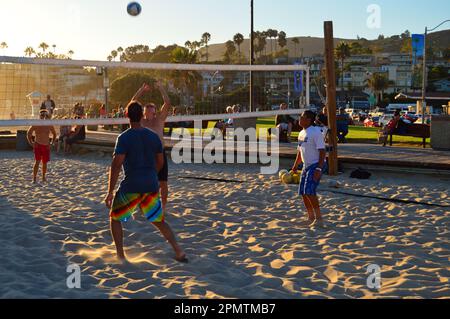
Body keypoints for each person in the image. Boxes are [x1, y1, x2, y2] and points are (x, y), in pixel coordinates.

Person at [104, 101, 187, 263]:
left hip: (132, 185)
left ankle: (120, 255)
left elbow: (116, 166)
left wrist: (110, 191)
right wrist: (150, 175)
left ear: (126, 115)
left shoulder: (124, 138)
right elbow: (160, 162)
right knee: (159, 221)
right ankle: (179, 251)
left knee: (115, 218)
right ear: (142, 115)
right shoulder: (153, 136)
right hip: (150, 184)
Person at [131, 82, 172, 212]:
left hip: (160, 154)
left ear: (155, 111)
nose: (150, 113)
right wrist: (141, 90)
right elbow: (132, 103)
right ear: (144, 112)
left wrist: (161, 88)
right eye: (147, 111)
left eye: (152, 110)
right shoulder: (141, 121)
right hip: (146, 155)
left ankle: (163, 207)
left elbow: (167, 103)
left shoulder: (159, 119)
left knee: (163, 183)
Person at [292, 110, 327, 228]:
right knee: (303, 192)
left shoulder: (315, 132)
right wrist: (295, 165)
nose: (299, 119)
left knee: (309, 191)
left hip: (315, 164)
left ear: (308, 120)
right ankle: (310, 217)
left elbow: (322, 152)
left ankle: (319, 218)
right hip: (306, 166)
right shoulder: (301, 133)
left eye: (302, 117)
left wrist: (318, 169)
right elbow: (300, 151)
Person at [27, 110, 57, 183]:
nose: (44, 117)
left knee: (44, 162)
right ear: (39, 116)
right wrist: (31, 143)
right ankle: (34, 178)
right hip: (38, 144)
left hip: (46, 145)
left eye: (45, 115)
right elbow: (29, 133)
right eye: (42, 115)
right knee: (37, 161)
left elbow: (54, 134)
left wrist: (51, 143)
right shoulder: (36, 124)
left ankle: (43, 177)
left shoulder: (49, 124)